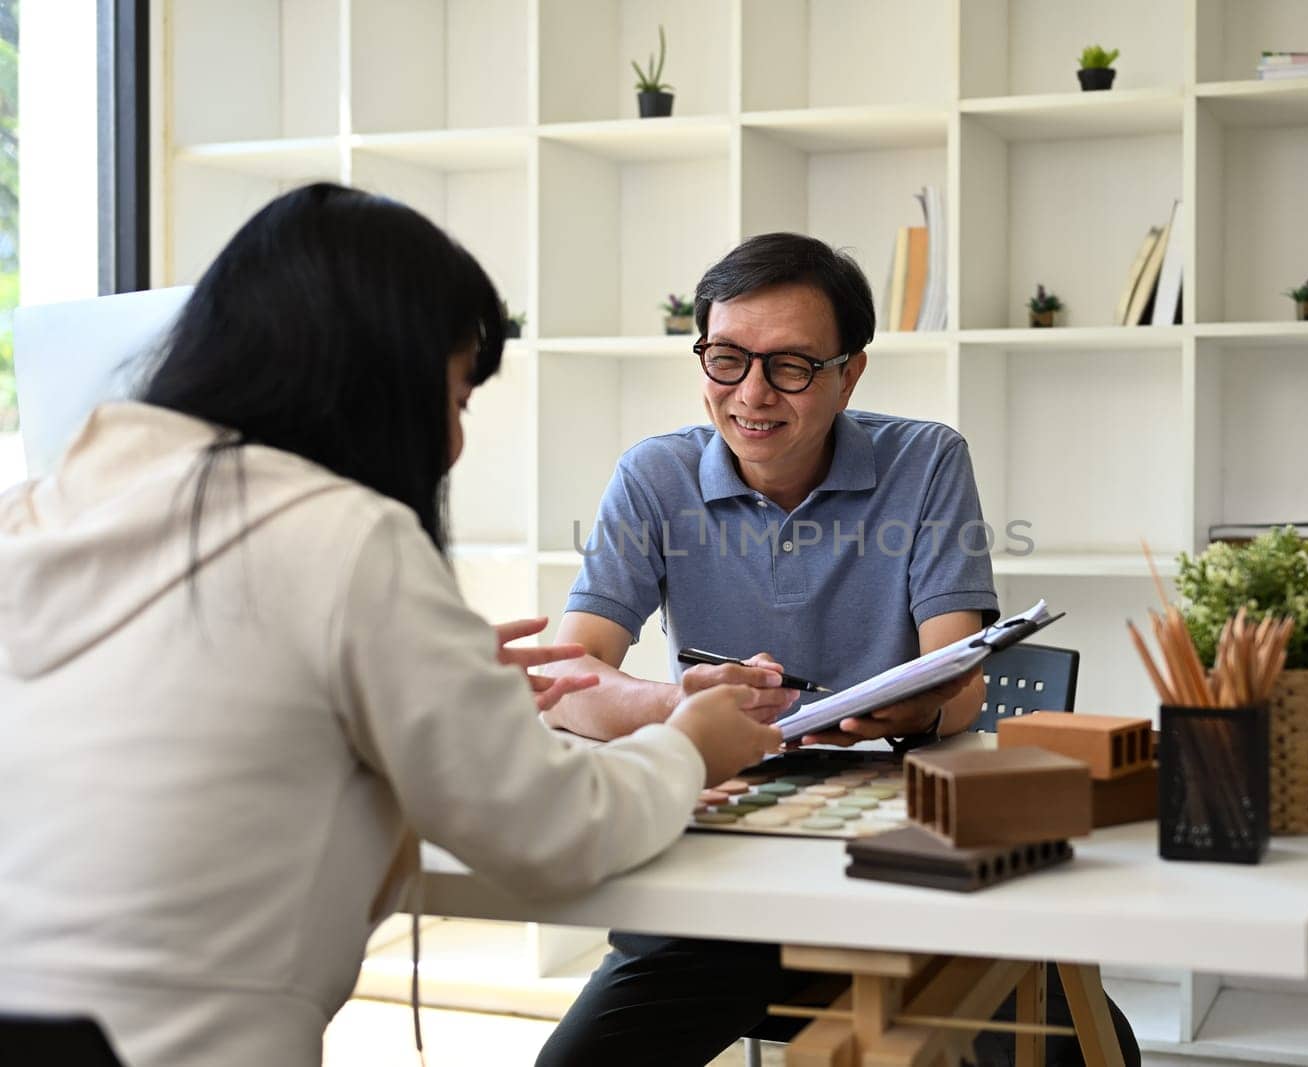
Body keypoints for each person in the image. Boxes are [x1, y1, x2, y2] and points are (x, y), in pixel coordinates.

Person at [0, 183, 781, 1067]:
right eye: (453, 397)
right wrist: (689, 744)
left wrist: (415, 667)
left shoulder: (32, 515)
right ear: (374, 382)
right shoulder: (343, 540)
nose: (450, 443)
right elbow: (551, 832)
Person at [535, 233, 1139, 1066]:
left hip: (905, 873)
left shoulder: (925, 461)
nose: (752, 394)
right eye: (726, 359)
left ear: (850, 372)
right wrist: (675, 705)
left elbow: (963, 683)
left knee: (1083, 1053)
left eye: (791, 366)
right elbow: (566, 680)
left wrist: (922, 702)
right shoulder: (654, 477)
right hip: (724, 883)